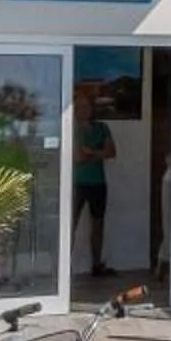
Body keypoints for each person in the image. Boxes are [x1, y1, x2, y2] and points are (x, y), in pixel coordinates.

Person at [71, 88, 117, 279]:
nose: (84, 109)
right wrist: (96, 153)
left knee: (98, 225)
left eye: (86, 106)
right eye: (80, 106)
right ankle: (63, 267)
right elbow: (77, 157)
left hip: (98, 183)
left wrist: (90, 152)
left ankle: (96, 265)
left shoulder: (102, 127)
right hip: (77, 183)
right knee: (70, 224)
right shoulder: (72, 128)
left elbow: (112, 152)